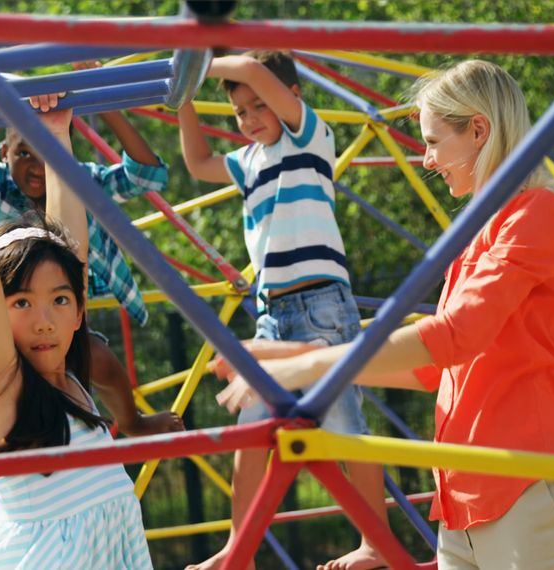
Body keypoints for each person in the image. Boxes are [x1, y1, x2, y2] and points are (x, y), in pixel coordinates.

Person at [213, 60, 554, 569]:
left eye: (434, 141)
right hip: (463, 505)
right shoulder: (480, 235)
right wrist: (310, 353)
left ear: (479, 130)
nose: (426, 159)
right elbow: (437, 367)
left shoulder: (539, 213)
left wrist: (308, 367)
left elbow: (455, 335)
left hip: (531, 489)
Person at [177, 49, 386, 570]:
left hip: (322, 304)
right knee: (252, 433)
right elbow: (199, 163)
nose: (249, 119)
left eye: (258, 107)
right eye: (239, 113)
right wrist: (182, 98)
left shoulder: (309, 137)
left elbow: (249, 70)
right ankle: (239, 548)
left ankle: (376, 542)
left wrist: (194, 62)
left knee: (343, 424)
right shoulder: (247, 163)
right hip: (271, 315)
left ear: (290, 99)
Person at [0, 78, 151, 569]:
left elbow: (70, 247)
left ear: (80, 311)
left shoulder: (73, 380)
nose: (44, 321)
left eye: (59, 301)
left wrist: (58, 137)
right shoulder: (6, 386)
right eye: (20, 304)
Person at [0, 69, 183, 437]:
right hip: (16, 325)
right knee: (81, 346)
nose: (36, 167)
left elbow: (140, 183)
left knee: (102, 361)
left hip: (64, 312)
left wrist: (86, 114)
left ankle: (130, 421)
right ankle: (38, 301)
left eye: (44, 154)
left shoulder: (72, 383)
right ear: (4, 153)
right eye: (24, 154)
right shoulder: (4, 388)